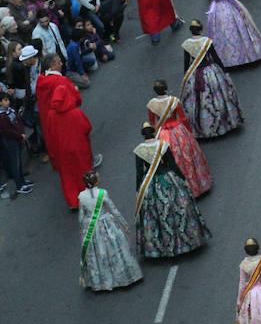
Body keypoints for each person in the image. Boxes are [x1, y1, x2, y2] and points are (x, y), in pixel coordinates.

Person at [134, 123, 211, 259]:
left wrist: (138, 190)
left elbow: (140, 174)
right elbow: (173, 165)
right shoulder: (163, 145)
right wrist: (183, 179)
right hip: (169, 180)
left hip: (152, 185)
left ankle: (164, 246)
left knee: (156, 215)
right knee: (181, 208)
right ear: (153, 132)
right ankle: (188, 240)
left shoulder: (139, 151)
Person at [78, 170, 143, 291]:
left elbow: (81, 217)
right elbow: (114, 210)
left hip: (91, 228)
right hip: (106, 225)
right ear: (95, 182)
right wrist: (124, 225)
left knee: (98, 253)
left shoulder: (81, 196)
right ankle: (121, 277)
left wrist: (83, 232)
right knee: (114, 250)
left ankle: (101, 282)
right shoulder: (102, 193)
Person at [146, 80, 212, 198]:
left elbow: (152, 121)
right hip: (178, 131)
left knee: (170, 161)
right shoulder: (174, 101)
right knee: (189, 157)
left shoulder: (151, 104)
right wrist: (189, 132)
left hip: (163, 134)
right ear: (166, 89)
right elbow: (182, 118)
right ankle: (198, 184)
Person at [180, 21, 244, 138]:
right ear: (200, 30)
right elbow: (216, 57)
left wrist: (187, 77)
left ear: (191, 31)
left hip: (195, 74)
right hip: (210, 71)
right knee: (219, 97)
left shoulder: (187, 44)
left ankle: (202, 127)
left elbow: (186, 63)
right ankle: (224, 123)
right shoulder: (207, 42)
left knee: (197, 101)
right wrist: (224, 71)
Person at [48, 82, 98, 208]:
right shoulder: (75, 112)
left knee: (68, 175)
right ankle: (89, 197)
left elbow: (50, 134)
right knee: (83, 171)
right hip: (79, 147)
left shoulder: (51, 115)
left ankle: (73, 201)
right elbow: (87, 127)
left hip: (62, 150)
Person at [0, 90, 33, 194]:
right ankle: (19, 185)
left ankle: (23, 181)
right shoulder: (2, 116)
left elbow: (19, 121)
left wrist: (22, 132)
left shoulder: (10, 110)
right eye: (5, 100)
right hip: (12, 141)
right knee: (15, 163)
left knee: (18, 162)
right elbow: (7, 131)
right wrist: (20, 135)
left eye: (8, 99)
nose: (8, 102)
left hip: (19, 138)